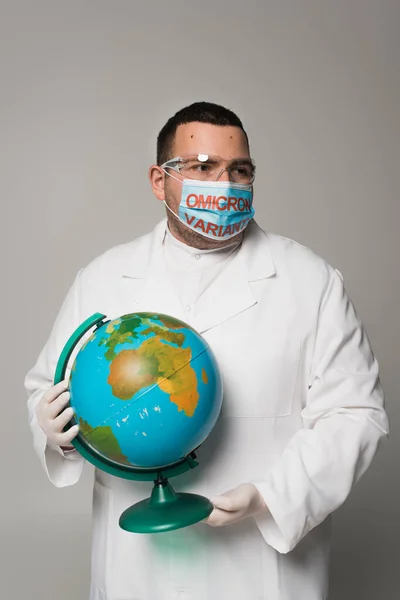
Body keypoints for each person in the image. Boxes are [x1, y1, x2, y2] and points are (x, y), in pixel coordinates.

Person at [25, 102, 389, 600]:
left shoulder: (311, 281)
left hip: (259, 567)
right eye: (202, 168)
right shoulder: (103, 278)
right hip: (138, 570)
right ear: (160, 180)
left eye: (239, 170)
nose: (224, 185)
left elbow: (355, 413)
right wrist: (57, 433)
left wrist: (270, 497)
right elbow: (49, 388)